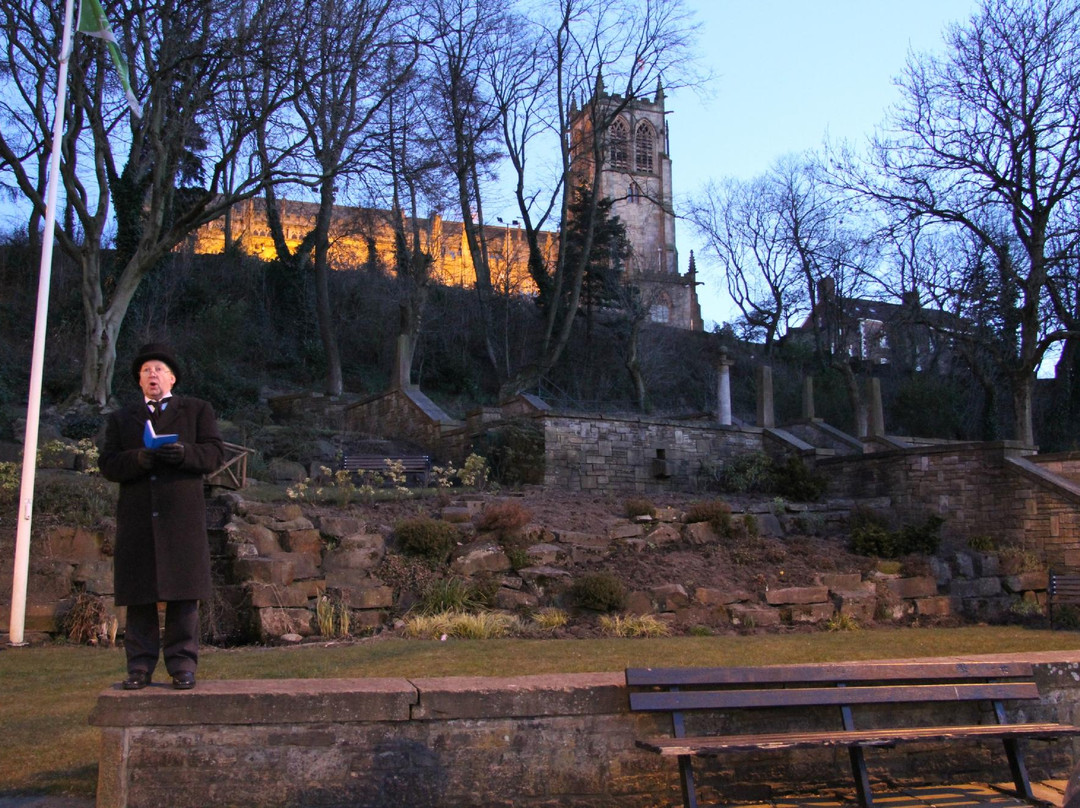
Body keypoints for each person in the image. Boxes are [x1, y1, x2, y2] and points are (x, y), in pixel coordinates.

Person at [99, 343, 224, 690]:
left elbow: (215, 454)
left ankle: (183, 666)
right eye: (145, 371)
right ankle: (139, 667)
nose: (152, 375)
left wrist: (183, 453)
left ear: (172, 378)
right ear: (139, 382)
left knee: (184, 595)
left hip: (181, 517)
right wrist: (138, 459)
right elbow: (107, 464)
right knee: (139, 595)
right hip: (138, 518)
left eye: (158, 369)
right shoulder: (122, 418)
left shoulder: (197, 410)